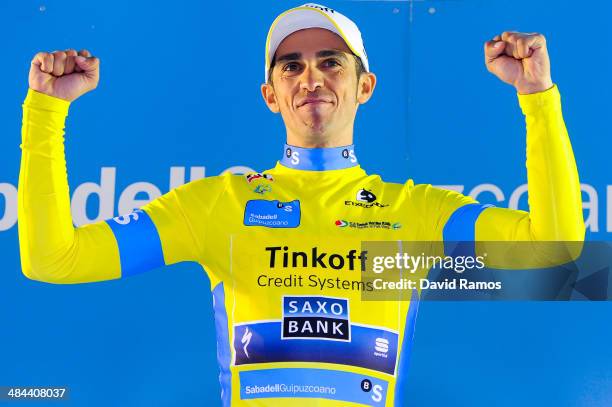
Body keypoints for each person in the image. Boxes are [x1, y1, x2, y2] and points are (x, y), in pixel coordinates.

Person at [19, 3, 584, 406]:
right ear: (271, 95)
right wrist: (45, 111)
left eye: (331, 61)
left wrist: (538, 98)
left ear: (365, 86)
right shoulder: (219, 203)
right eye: (291, 65)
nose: (310, 76)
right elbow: (52, 259)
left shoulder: (413, 213)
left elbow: (555, 250)